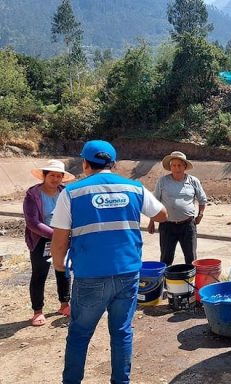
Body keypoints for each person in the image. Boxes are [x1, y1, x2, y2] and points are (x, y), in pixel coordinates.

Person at [51, 140, 168, 384]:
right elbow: (162, 214)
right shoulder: (135, 188)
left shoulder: (72, 193)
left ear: (85, 164)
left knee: (80, 334)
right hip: (127, 274)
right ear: (113, 164)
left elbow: (60, 239)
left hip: (90, 276)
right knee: (122, 333)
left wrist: (59, 266)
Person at [23, 159, 75, 326]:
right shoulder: (33, 195)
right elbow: (33, 222)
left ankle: (64, 305)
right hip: (41, 239)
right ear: (44, 176)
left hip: (63, 237)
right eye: (52, 175)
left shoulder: (66, 193)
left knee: (63, 271)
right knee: (40, 273)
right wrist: (57, 235)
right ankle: (37, 311)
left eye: (59, 176)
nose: (55, 179)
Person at [147, 151, 207, 266]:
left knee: (191, 258)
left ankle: (192, 282)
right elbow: (155, 202)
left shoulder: (193, 181)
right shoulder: (163, 181)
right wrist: (152, 221)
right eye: (173, 165)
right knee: (166, 257)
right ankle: (165, 282)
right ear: (170, 167)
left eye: (179, 165)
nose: (176, 168)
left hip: (188, 225)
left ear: (185, 166)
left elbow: (202, 200)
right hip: (167, 225)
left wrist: (200, 215)